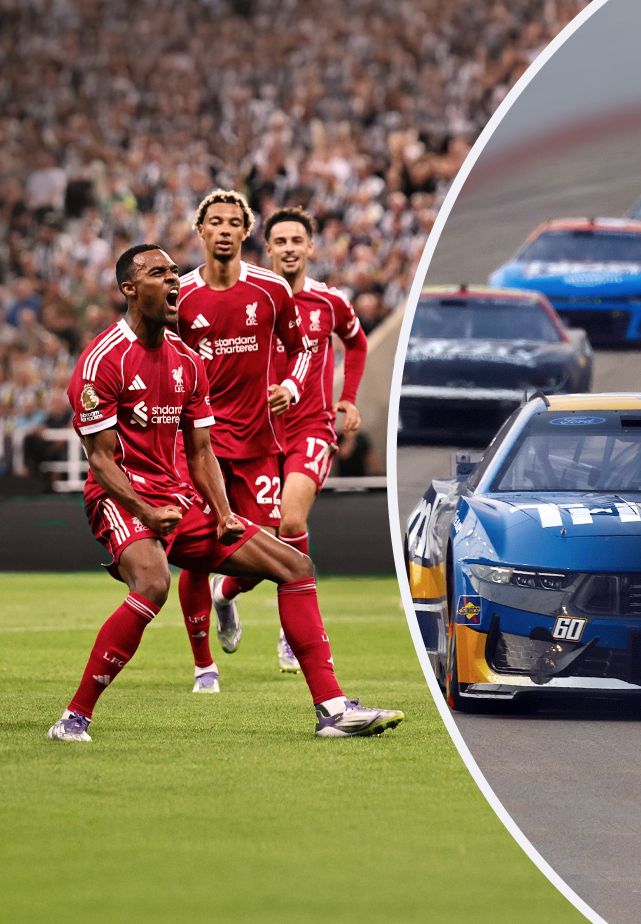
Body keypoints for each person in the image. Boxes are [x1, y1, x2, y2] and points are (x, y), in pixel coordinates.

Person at [47, 244, 403, 741]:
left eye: (175, 272)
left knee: (295, 565)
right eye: (158, 273)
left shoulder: (188, 362)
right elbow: (101, 461)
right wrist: (144, 510)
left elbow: (200, 452)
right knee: (153, 584)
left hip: (178, 498)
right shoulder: (103, 360)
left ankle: (333, 710)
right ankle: (73, 719)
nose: (173, 281)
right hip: (121, 498)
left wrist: (222, 512)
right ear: (129, 288)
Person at [210, 206, 367, 672]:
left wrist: (348, 398)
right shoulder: (253, 298)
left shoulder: (330, 302)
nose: (289, 248)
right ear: (268, 249)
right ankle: (224, 592)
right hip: (256, 434)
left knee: (291, 520)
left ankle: (290, 633)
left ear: (310, 246)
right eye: (280, 241)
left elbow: (357, 343)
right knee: (261, 545)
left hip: (310, 427)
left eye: (297, 240)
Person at [173, 189, 311, 692]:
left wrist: (291, 386)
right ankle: (203, 667)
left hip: (256, 443)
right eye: (216, 222)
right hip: (198, 447)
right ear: (201, 230)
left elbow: (301, 349)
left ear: (245, 231)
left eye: (234, 222)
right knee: (196, 551)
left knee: (260, 558)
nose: (225, 229)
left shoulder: (271, 290)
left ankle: (226, 594)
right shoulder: (181, 297)